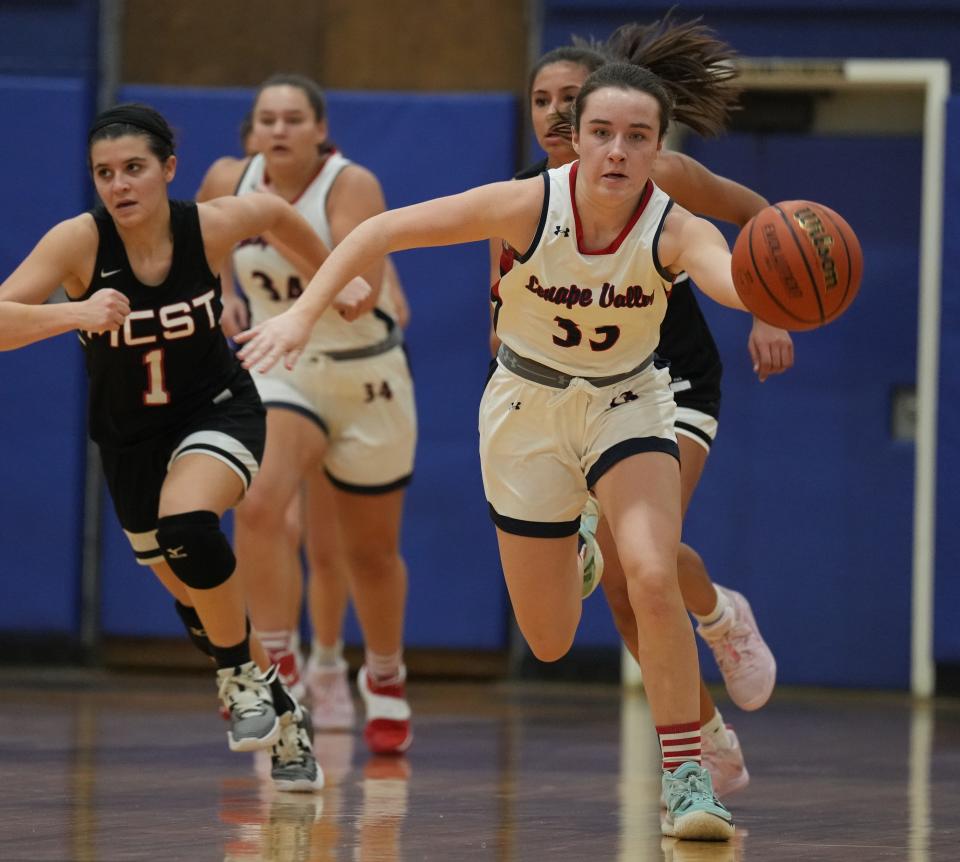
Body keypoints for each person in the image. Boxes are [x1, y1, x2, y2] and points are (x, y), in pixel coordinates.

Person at [235, 59, 759, 841]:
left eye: (637, 137)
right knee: (547, 639)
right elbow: (380, 232)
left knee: (650, 571)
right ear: (575, 139)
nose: (618, 151)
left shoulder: (677, 226)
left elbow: (729, 280)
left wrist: (779, 289)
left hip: (628, 402)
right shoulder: (526, 206)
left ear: (658, 149)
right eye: (603, 133)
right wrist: (304, 314)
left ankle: (688, 777)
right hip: (527, 410)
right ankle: (573, 538)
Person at [0, 103, 376, 791]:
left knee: (189, 522)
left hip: (218, 409)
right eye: (105, 173)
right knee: (201, 600)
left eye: (135, 168)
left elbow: (275, 216)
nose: (120, 185)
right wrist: (73, 313)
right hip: (130, 442)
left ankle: (237, 678)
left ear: (168, 170)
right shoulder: (77, 244)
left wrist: (332, 280)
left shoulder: (207, 224)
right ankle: (280, 708)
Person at [490, 15, 790, 798]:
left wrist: (769, 307)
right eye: (542, 101)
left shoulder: (667, 179)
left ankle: (721, 617)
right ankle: (706, 735)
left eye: (569, 97)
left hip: (666, 382)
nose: (555, 113)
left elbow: (764, 222)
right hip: (567, 396)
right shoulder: (524, 201)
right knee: (626, 594)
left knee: (638, 567)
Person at [197, 74, 416, 754]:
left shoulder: (353, 186)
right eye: (268, 119)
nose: (280, 130)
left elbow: (358, 295)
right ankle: (278, 662)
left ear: (320, 130)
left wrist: (273, 222)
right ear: (253, 131)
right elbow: (203, 237)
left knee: (368, 552)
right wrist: (224, 287)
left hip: (365, 371)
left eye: (295, 118)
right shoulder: (228, 177)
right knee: (258, 501)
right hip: (281, 365)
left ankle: (383, 675)